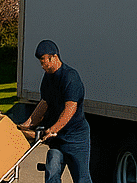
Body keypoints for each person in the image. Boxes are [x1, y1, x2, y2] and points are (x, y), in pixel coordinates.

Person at [19, 39, 92, 183]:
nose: (42, 66)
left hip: (76, 138)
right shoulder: (48, 78)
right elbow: (44, 103)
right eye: (40, 62)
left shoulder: (70, 77)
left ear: (54, 57)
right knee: (52, 171)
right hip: (58, 139)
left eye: (44, 61)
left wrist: (53, 129)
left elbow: (70, 109)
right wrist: (27, 124)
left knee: (81, 178)